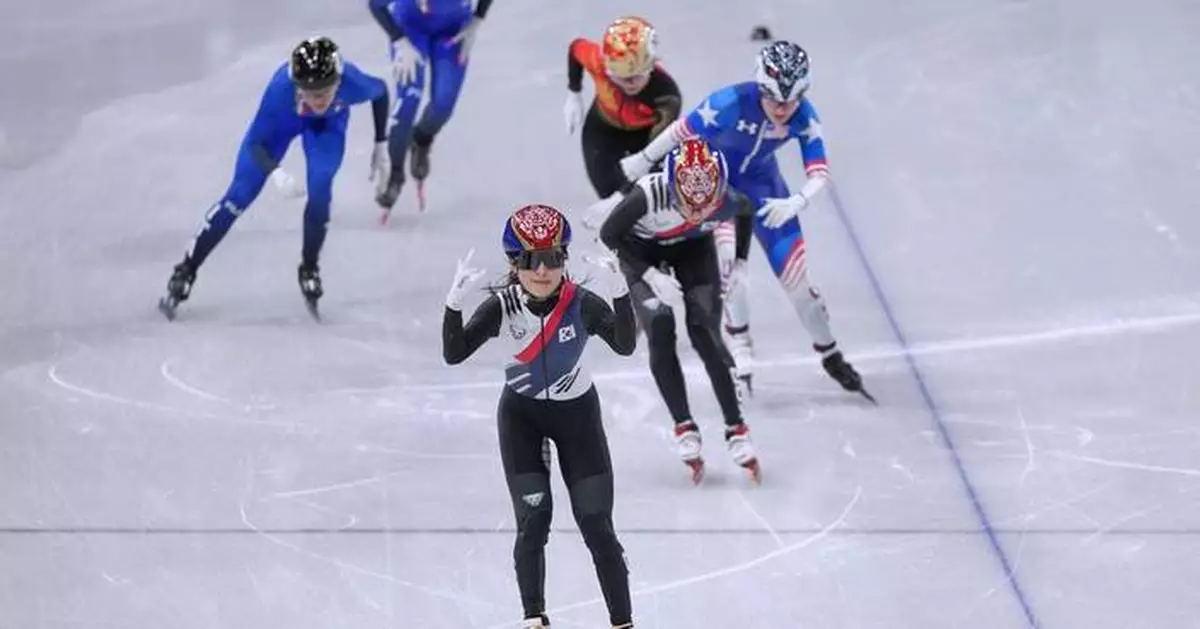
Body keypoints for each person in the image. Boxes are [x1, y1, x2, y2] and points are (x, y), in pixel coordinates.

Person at [616, 40, 874, 402]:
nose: (783, 110)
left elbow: (819, 171)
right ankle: (741, 344)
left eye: (792, 101)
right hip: (719, 197)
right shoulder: (727, 103)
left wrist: (797, 200)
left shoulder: (804, 114)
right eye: (774, 100)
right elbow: (680, 131)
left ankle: (830, 354)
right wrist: (643, 159)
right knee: (730, 275)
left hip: (769, 197)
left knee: (801, 288)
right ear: (761, 88)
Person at [442, 204, 638, 629]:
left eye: (553, 257)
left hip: (578, 421)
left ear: (564, 259)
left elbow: (625, 346)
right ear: (515, 264)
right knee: (534, 521)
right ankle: (534, 619)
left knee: (597, 526)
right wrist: (453, 304)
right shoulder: (502, 306)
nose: (543, 270)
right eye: (531, 260)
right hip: (522, 421)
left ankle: (623, 623)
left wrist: (621, 293)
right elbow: (454, 353)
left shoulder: (582, 304)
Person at [158, 36, 390, 321]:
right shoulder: (280, 91)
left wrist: (381, 144)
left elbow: (381, 92)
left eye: (325, 91)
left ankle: (309, 267)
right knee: (238, 196)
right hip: (277, 130)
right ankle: (187, 269)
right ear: (297, 86)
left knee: (320, 189)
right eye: (310, 91)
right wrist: (275, 171)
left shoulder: (352, 82)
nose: (318, 99)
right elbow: (257, 145)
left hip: (328, 128)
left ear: (339, 82)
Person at [599, 139, 760, 483]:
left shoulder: (724, 196)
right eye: (690, 204)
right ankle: (683, 425)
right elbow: (608, 233)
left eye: (707, 204)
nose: (700, 211)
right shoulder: (648, 195)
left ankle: (736, 427)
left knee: (705, 331)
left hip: (693, 252)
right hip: (640, 252)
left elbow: (746, 210)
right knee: (659, 326)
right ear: (674, 189)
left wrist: (742, 264)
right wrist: (650, 275)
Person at [369, 0, 494, 216]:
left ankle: (421, 138)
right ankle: (394, 173)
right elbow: (375, 5)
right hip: (410, 30)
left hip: (453, 31)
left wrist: (477, 20)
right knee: (408, 101)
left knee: (443, 104)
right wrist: (399, 40)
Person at [562, 16, 681, 219]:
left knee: (646, 200)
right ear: (608, 67)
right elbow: (575, 48)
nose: (630, 84)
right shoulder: (598, 61)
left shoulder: (667, 96)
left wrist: (621, 195)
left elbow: (654, 155)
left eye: (637, 75)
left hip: (647, 137)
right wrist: (574, 93)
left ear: (652, 66)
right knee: (609, 195)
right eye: (620, 77)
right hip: (603, 129)